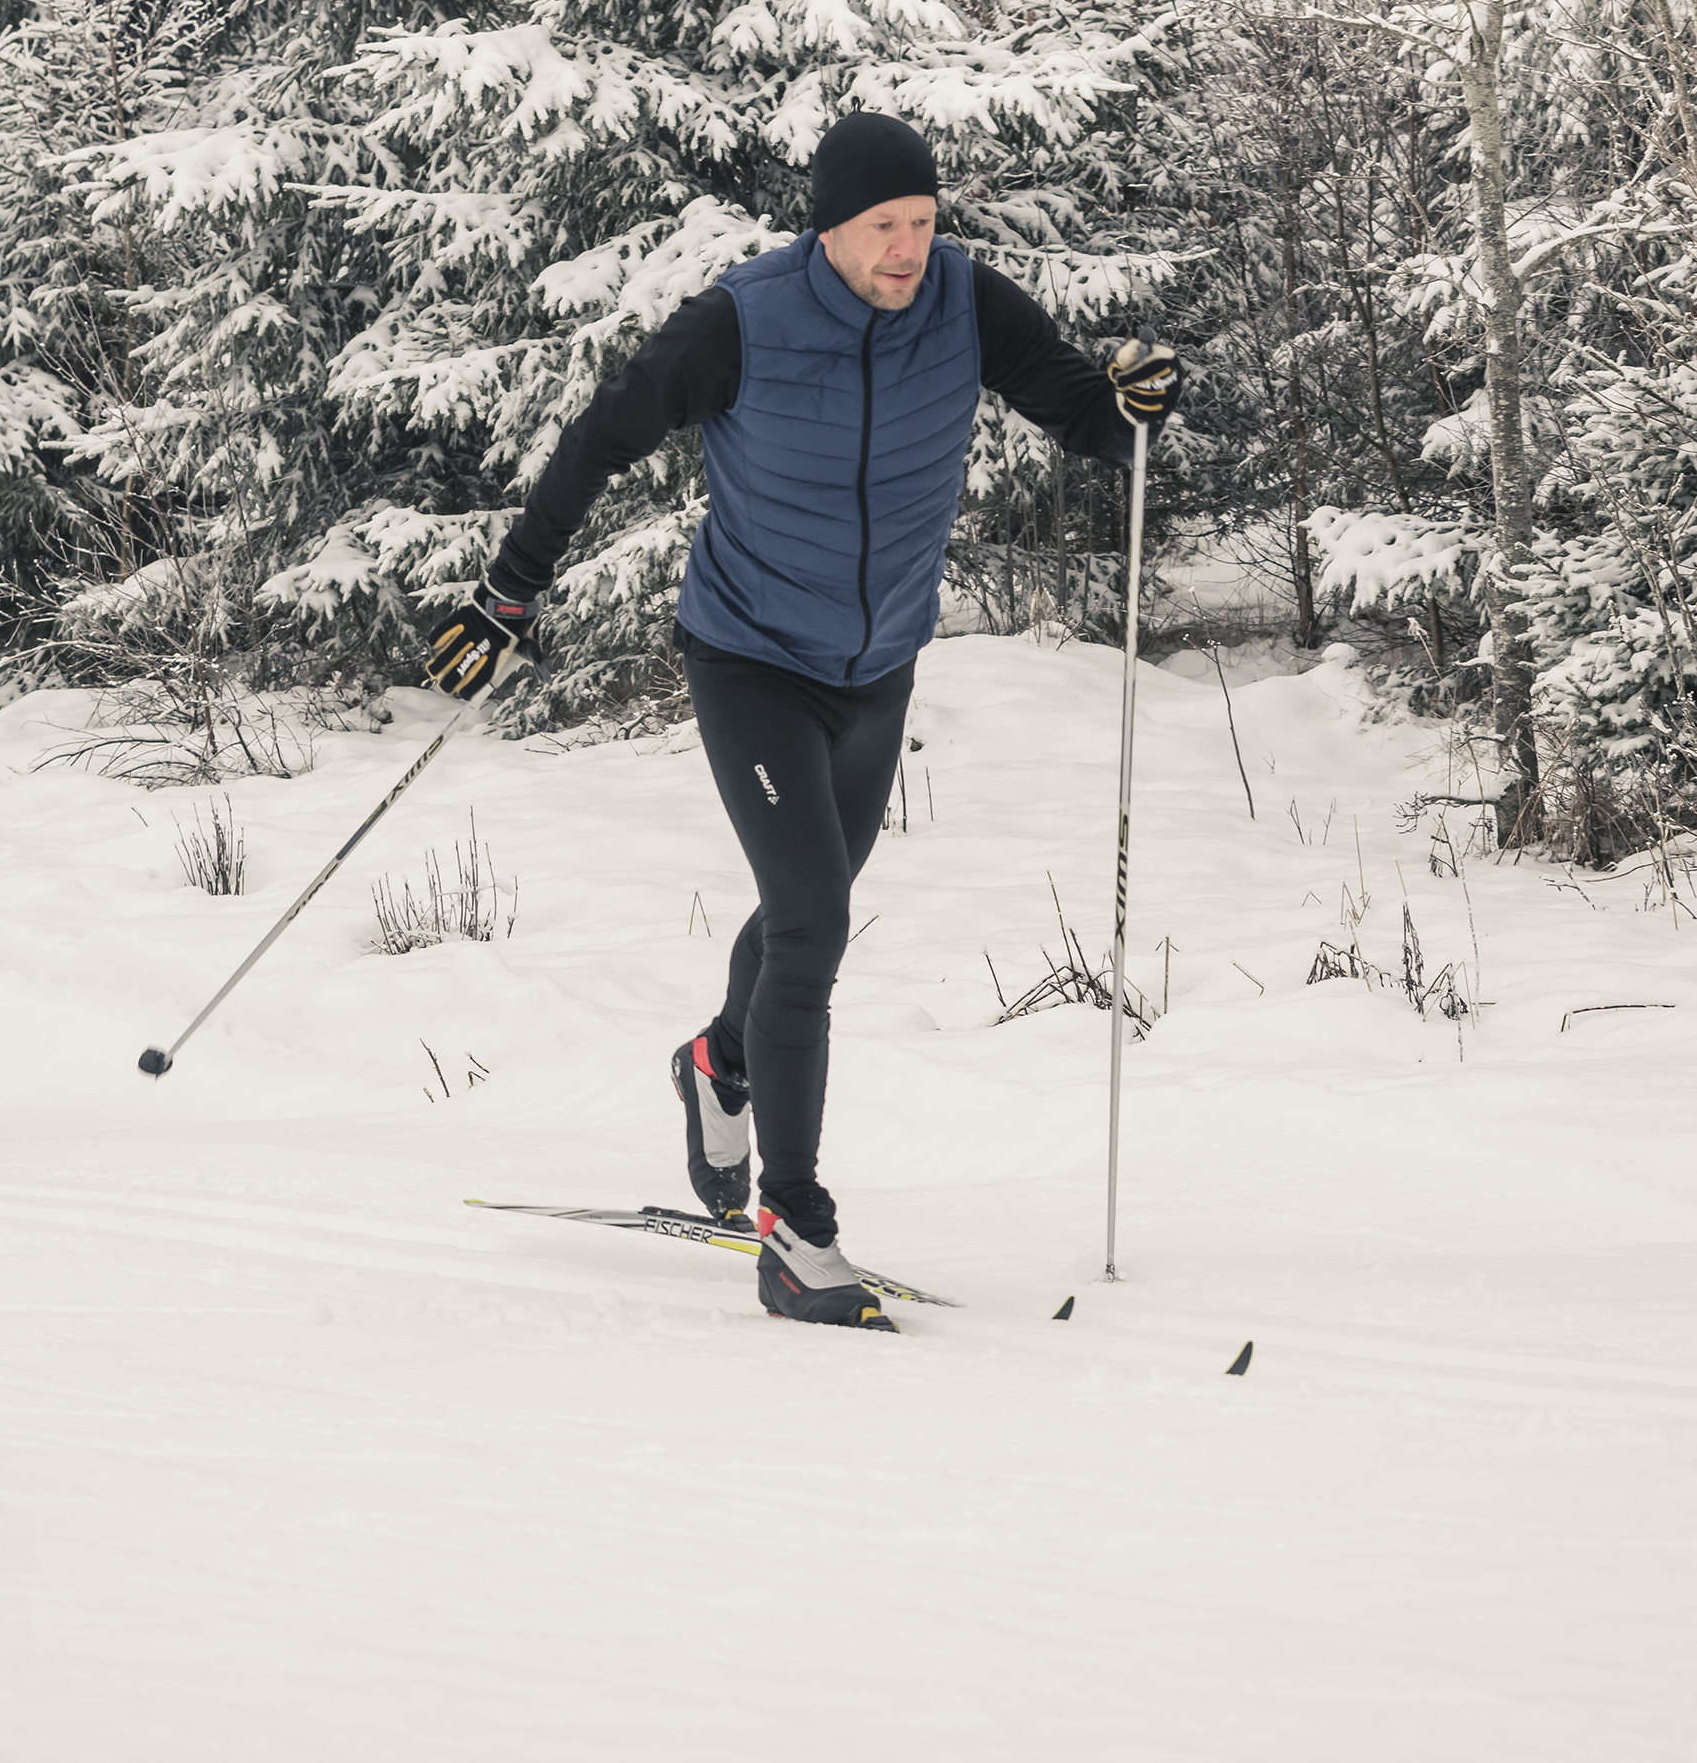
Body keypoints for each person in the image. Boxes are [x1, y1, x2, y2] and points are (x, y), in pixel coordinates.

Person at [421, 112, 1180, 1327]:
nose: (906, 250)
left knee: (796, 908)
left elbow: (1085, 417)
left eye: (924, 224)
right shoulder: (741, 321)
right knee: (817, 918)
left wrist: (1133, 395)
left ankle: (718, 1062)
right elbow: (600, 438)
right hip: (749, 657)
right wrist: (507, 592)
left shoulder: (968, 307)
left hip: (877, 665)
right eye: (883, 227)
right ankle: (794, 1220)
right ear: (827, 228)